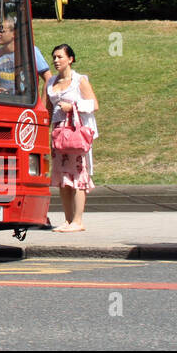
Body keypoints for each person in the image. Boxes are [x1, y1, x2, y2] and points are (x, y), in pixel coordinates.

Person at [46, 44, 97, 232]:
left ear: (70, 59)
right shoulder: (51, 82)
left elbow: (94, 104)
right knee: (62, 177)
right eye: (54, 57)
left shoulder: (79, 80)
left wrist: (73, 105)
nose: (56, 60)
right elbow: (48, 110)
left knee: (78, 175)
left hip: (75, 133)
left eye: (60, 57)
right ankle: (68, 220)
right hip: (59, 134)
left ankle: (78, 220)